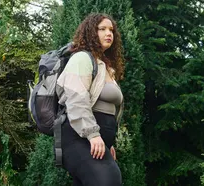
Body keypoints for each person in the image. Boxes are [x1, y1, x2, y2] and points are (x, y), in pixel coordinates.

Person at [56, 13, 125, 186]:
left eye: (111, 30)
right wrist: (93, 135)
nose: (109, 33)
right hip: (77, 136)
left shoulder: (105, 67)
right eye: (102, 29)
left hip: (94, 138)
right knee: (109, 180)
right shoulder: (82, 58)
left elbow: (109, 110)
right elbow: (76, 99)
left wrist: (108, 142)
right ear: (90, 33)